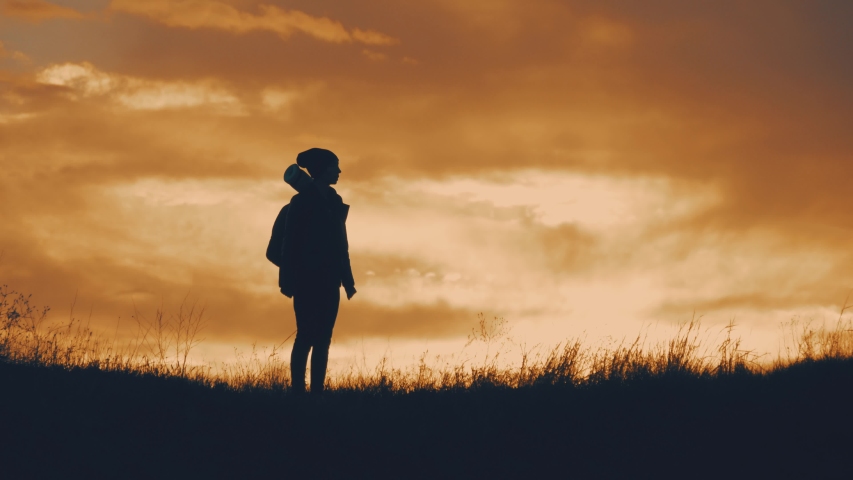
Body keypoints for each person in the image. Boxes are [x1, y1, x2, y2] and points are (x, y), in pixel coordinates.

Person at [279, 148, 356, 395]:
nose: (339, 171)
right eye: (335, 166)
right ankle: (298, 392)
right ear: (322, 170)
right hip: (306, 280)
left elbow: (341, 245)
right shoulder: (300, 203)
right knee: (306, 337)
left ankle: (317, 394)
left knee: (323, 339)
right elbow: (289, 243)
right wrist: (288, 280)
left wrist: (347, 280)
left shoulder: (334, 202)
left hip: (330, 281)